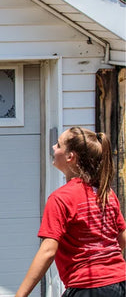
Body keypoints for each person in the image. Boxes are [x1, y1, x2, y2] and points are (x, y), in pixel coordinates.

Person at [15, 127, 126, 297]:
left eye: (58, 145)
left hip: (87, 288)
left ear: (70, 157)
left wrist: (20, 295)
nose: (53, 147)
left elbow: (48, 251)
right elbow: (122, 238)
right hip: (120, 283)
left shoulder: (61, 198)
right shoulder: (106, 194)